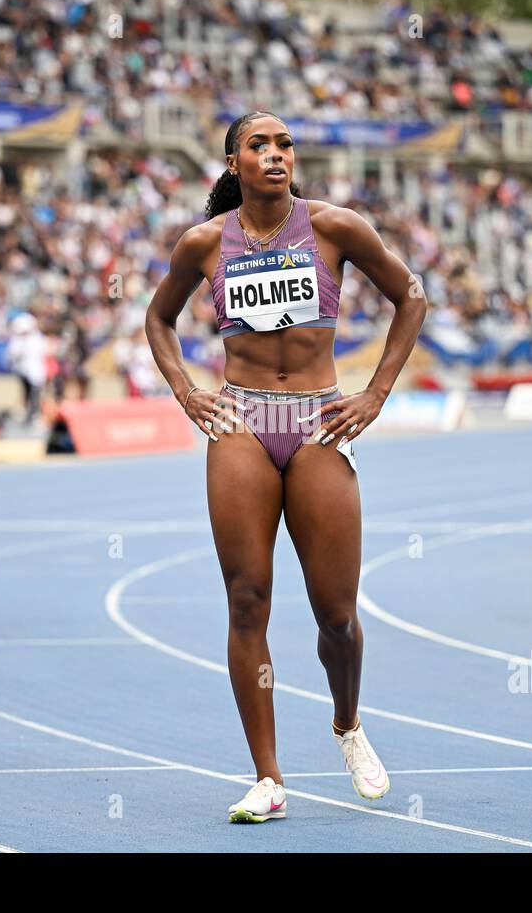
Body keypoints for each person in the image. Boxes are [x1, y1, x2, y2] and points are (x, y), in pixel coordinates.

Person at [145, 112, 427, 823]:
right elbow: (158, 319)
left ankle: (347, 725)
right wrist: (185, 391)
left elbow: (411, 296)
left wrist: (375, 393)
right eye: (259, 146)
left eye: (284, 145)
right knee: (247, 601)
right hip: (240, 421)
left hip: (318, 421)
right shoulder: (204, 243)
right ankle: (268, 778)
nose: (275, 155)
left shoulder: (336, 227)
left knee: (335, 615)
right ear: (234, 162)